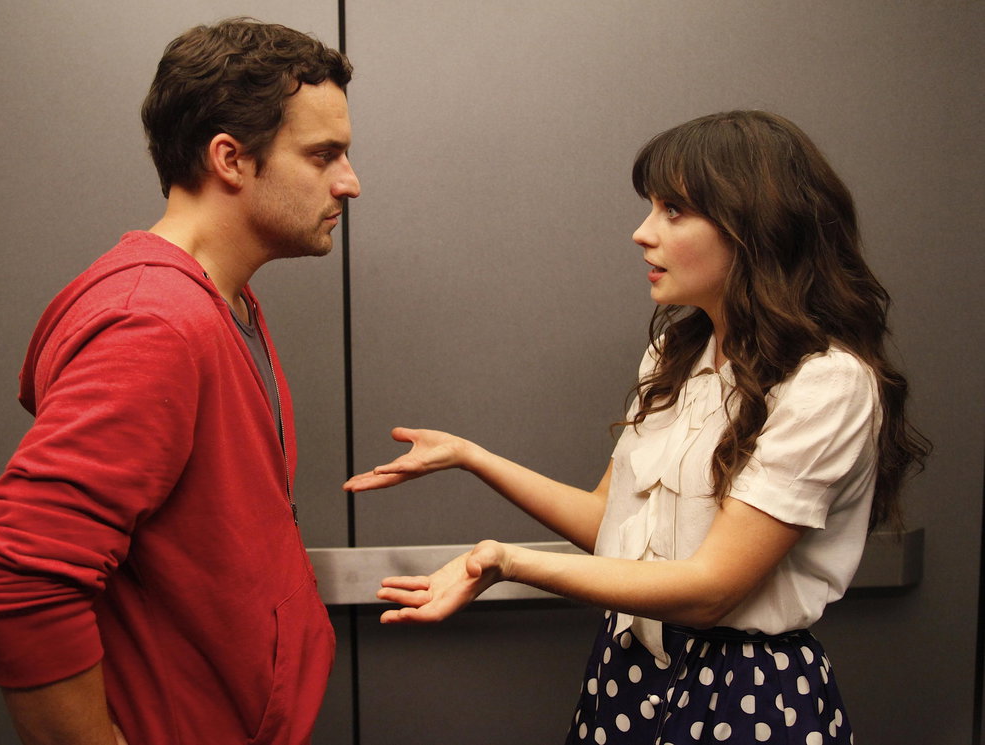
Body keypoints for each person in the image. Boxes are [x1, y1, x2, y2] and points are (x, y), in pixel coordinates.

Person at [344, 110, 928, 744]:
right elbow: (610, 523)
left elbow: (710, 591)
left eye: (674, 210)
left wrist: (508, 562)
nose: (642, 233)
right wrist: (470, 455)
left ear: (756, 227)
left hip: (744, 693)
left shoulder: (826, 383)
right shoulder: (676, 355)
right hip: (624, 674)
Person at [0, 17, 360, 745]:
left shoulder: (221, 301)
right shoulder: (155, 323)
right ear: (230, 158)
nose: (350, 182)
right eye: (323, 154)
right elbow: (24, 577)